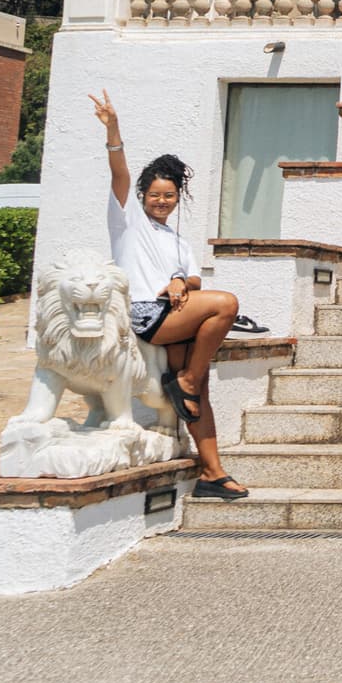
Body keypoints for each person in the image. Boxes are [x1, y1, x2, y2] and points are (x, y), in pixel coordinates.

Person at [93, 91, 246, 500]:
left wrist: (182, 283)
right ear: (142, 195)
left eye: (170, 196)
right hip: (145, 314)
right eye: (155, 195)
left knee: (197, 400)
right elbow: (119, 173)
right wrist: (113, 129)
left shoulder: (177, 241)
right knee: (227, 304)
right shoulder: (127, 222)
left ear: (178, 197)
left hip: (174, 314)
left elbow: (193, 278)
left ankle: (212, 473)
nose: (162, 201)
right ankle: (189, 377)